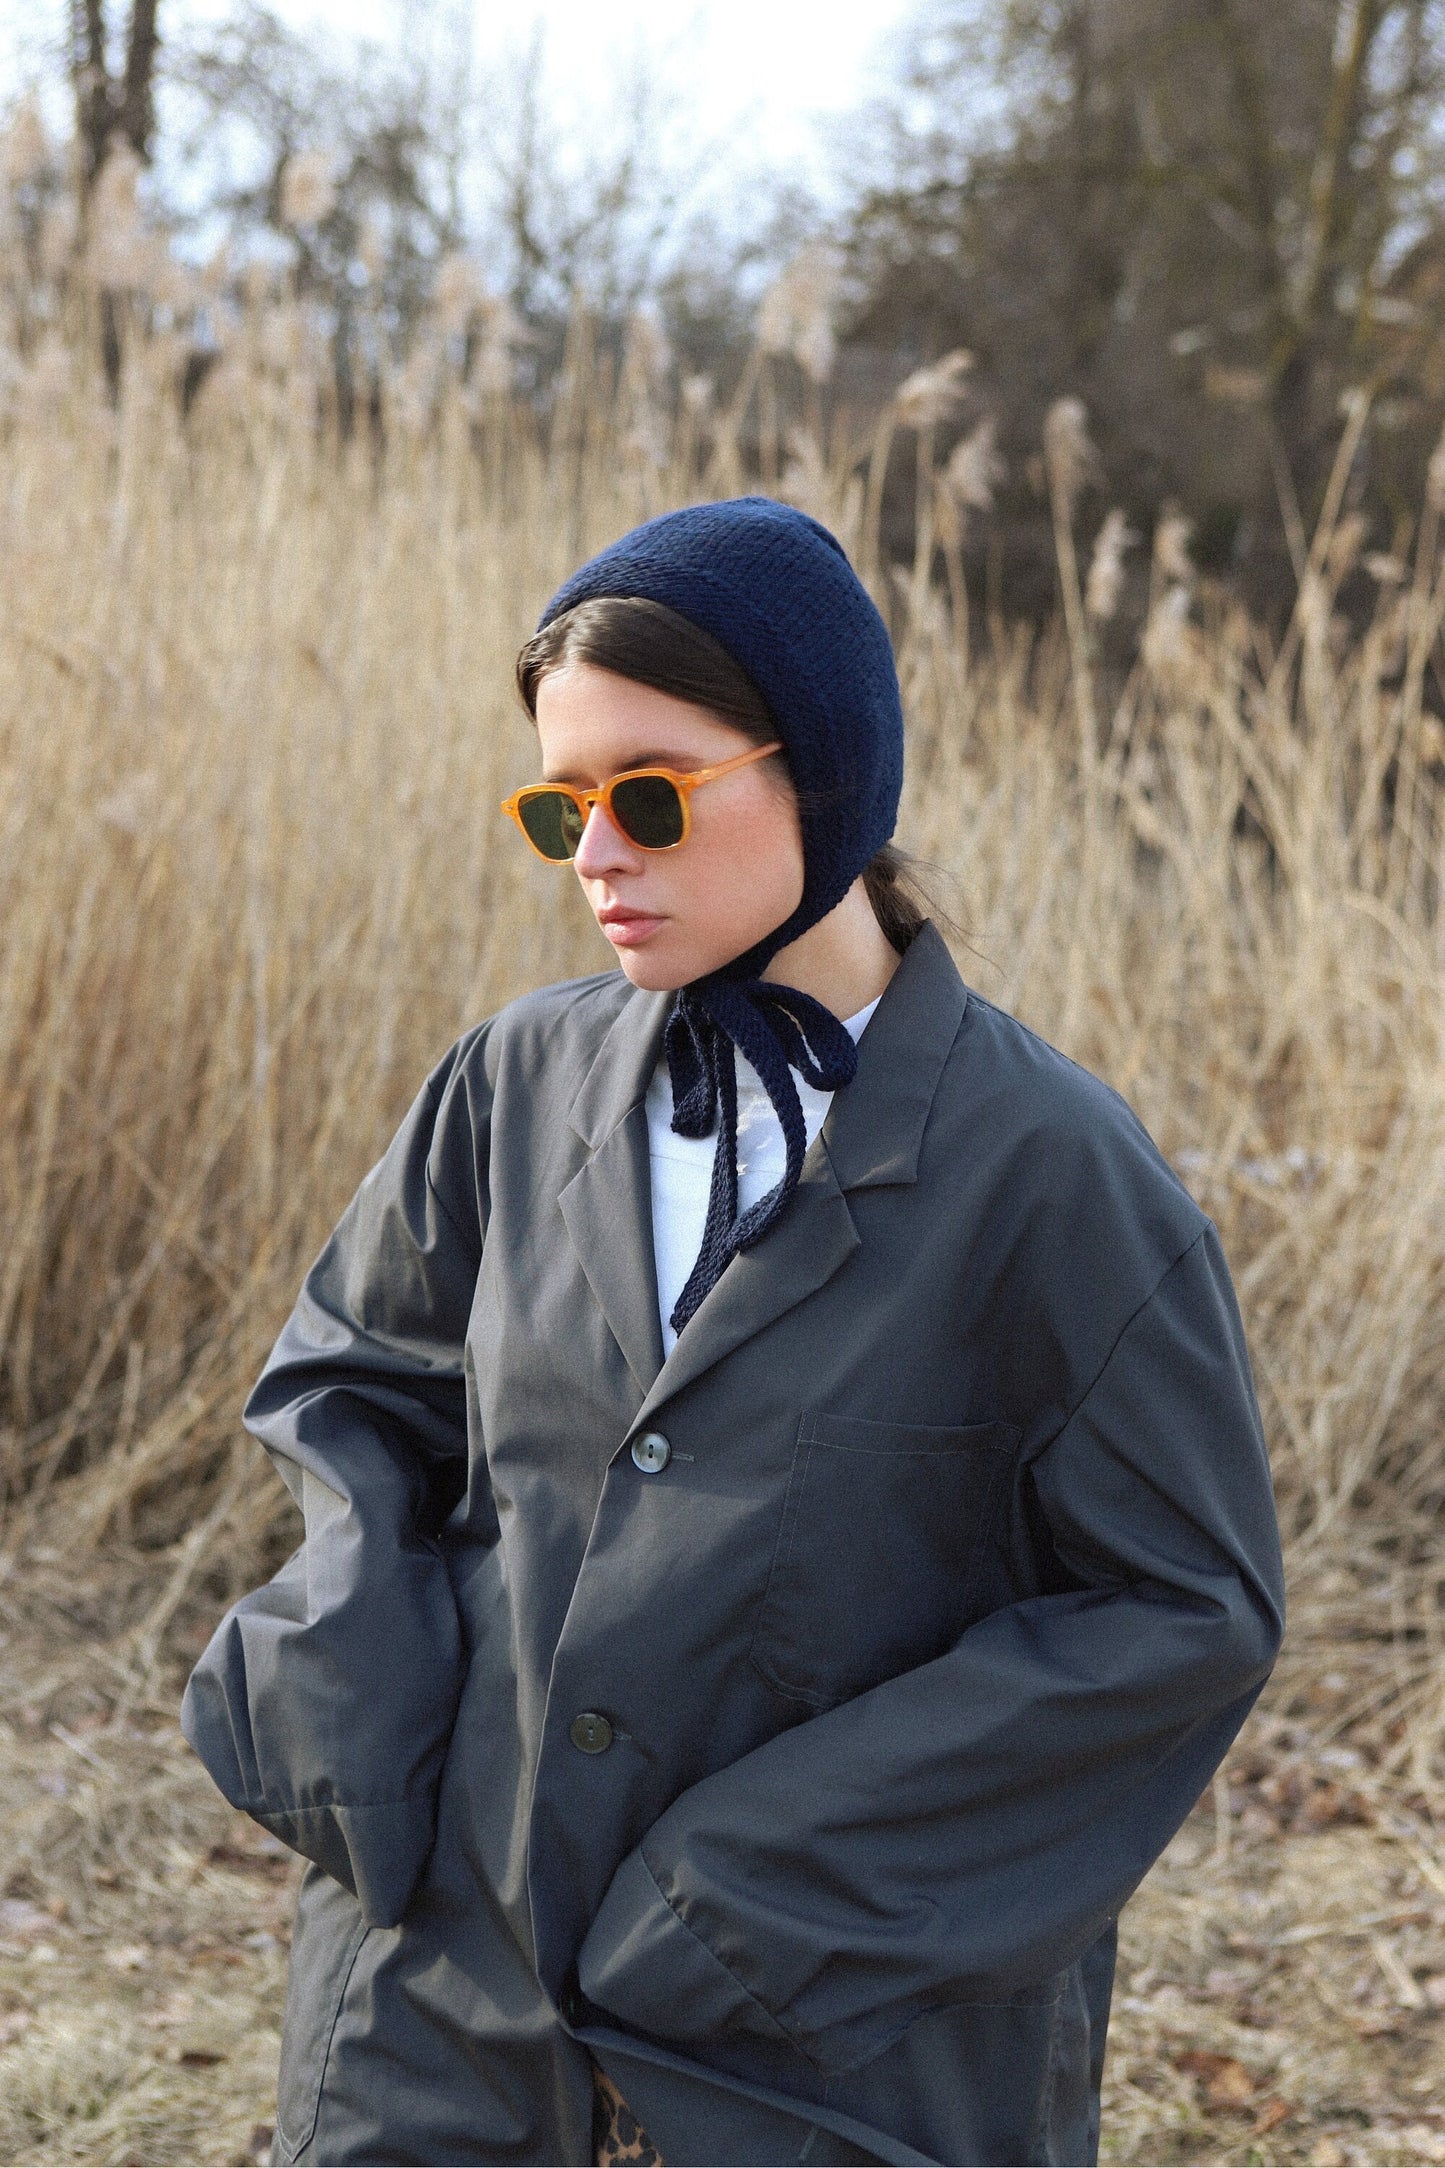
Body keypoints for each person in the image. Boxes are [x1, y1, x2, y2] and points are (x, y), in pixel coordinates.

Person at [182, 496, 1285, 2168]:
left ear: (822, 775)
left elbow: (1177, 1609)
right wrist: (356, 1730)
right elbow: (353, 1386)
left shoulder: (1054, 1176)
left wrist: (753, 1905)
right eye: (559, 808)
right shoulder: (510, 1084)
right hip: (442, 2020)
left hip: (830, 2063)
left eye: (647, 796)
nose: (598, 858)